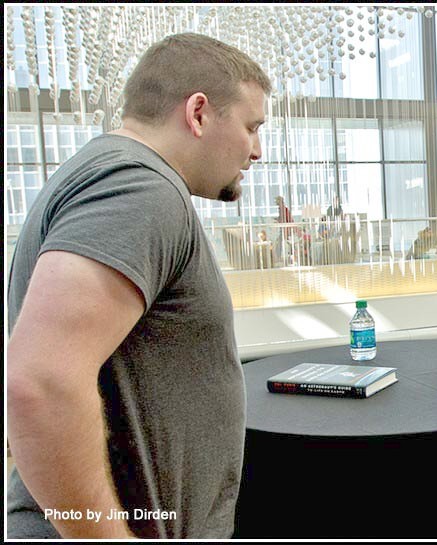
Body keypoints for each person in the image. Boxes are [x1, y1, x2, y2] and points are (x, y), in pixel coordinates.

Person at [6, 33, 270, 539]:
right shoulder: (139, 188)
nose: (257, 150)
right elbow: (40, 383)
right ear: (198, 113)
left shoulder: (110, 176)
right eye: (252, 126)